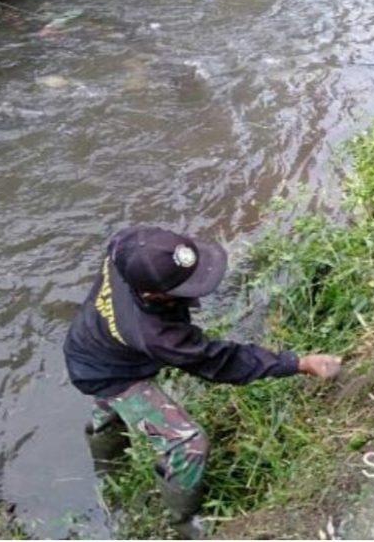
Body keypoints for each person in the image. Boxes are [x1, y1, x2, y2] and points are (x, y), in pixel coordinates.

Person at [62, 225, 342, 536]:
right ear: (153, 294)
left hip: (88, 340)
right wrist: (299, 363)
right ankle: (183, 521)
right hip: (110, 372)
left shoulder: (127, 247)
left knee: (110, 410)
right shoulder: (157, 335)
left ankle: (107, 467)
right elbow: (221, 362)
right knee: (189, 443)